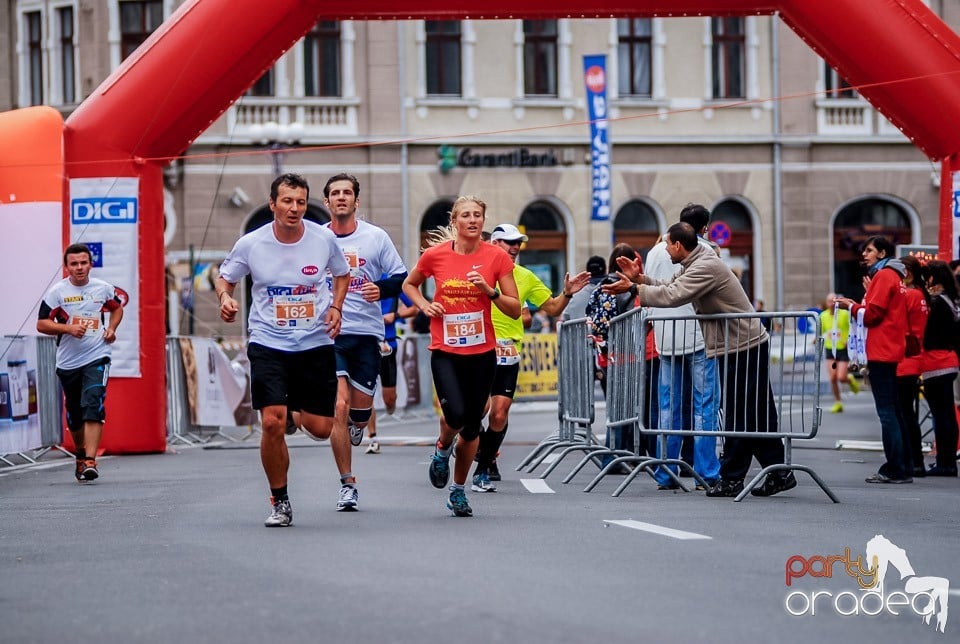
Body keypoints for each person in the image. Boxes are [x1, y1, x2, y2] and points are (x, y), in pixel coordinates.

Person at [605, 221, 796, 498]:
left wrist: (635, 290)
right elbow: (669, 284)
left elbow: (673, 295)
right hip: (737, 344)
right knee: (754, 414)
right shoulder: (696, 261)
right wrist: (640, 280)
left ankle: (733, 478)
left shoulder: (705, 266)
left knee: (741, 414)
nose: (664, 249)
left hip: (744, 345)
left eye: (667, 244)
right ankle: (778, 472)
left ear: (678, 245)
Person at [216, 173, 350, 527]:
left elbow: (342, 274)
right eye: (287, 201)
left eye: (301, 202)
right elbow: (225, 277)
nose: (294, 208)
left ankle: (293, 411)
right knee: (271, 423)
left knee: (322, 428)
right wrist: (225, 297)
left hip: (314, 342)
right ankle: (280, 500)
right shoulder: (251, 243)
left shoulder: (323, 238)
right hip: (268, 341)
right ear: (273, 204)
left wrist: (335, 307)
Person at [402, 196, 520, 517]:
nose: (472, 220)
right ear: (454, 221)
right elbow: (409, 284)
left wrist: (489, 290)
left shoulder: (496, 257)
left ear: (483, 221)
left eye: (478, 215)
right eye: (466, 215)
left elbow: (514, 307)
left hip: (481, 353)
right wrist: (425, 305)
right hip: (445, 350)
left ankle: (457, 490)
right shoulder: (435, 255)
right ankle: (442, 449)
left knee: (472, 427)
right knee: (455, 415)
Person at [471, 223, 590, 491]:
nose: (515, 248)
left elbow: (552, 308)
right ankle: (470, 443)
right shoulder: (476, 271)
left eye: (518, 244)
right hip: (477, 349)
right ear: (493, 244)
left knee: (499, 415)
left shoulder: (523, 276)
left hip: (508, 351)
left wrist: (568, 293)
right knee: (476, 411)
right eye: (509, 242)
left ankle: (484, 466)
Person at [317, 173, 408, 509]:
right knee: (337, 408)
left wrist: (381, 289)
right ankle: (347, 484)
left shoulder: (375, 237)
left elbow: (402, 276)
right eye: (335, 194)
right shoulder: (314, 237)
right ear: (326, 202)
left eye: (347, 193)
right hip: (327, 334)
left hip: (366, 334)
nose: (341, 198)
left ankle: (359, 425)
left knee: (358, 413)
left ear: (357, 201)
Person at [644, 207, 722, 492]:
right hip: (699, 336)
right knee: (705, 405)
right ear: (703, 228)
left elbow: (655, 288)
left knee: (668, 407)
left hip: (666, 336)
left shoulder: (655, 252)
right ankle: (707, 473)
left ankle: (665, 471)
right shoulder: (705, 252)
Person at [37, 243, 125, 482]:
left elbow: (117, 309)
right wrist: (67, 328)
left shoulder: (103, 289)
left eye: (83, 263)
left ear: (90, 264)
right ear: (66, 267)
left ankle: (90, 460)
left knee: (93, 401)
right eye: (74, 264)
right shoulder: (57, 292)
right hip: (68, 362)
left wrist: (112, 329)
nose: (79, 268)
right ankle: (79, 454)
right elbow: (42, 323)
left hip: (97, 355)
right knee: (75, 413)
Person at [837, 236, 911, 484]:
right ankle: (903, 464)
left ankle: (895, 468)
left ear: (881, 253)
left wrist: (851, 306)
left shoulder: (884, 276)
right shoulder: (894, 277)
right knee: (895, 410)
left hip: (882, 350)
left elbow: (873, 315)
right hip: (890, 349)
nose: (864, 255)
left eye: (869, 250)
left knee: (887, 412)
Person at [587, 243, 658, 468]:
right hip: (633, 354)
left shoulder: (602, 286)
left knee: (619, 408)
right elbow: (646, 314)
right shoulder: (626, 286)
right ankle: (626, 456)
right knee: (634, 407)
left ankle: (618, 456)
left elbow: (595, 320)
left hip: (615, 356)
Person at [920, 260, 959, 476]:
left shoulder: (936, 303)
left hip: (936, 362)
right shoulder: (950, 300)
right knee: (946, 415)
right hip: (948, 361)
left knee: (942, 415)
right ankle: (947, 461)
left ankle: (946, 463)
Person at [365, 289, 417, 454]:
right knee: (366, 393)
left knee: (389, 400)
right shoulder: (360, 280)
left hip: (389, 345)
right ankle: (372, 437)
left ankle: (390, 406)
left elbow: (414, 308)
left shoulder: (392, 282)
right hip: (366, 344)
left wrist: (395, 316)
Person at [895, 255, 928, 477]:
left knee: (904, 414)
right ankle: (914, 460)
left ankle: (911, 460)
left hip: (905, 360)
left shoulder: (909, 295)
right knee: (907, 413)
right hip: (913, 358)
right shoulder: (920, 295)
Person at [819, 292, 860, 413]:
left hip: (843, 349)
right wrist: (815, 339)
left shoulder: (845, 314)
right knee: (832, 378)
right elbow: (821, 331)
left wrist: (850, 339)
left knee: (841, 377)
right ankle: (838, 402)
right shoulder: (823, 316)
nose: (831, 303)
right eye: (829, 301)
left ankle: (849, 379)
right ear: (826, 303)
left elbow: (854, 327)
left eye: (834, 300)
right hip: (830, 349)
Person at [563, 255, 606, 321]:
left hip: (578, 331)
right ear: (605, 270)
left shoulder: (574, 294)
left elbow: (565, 317)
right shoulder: (615, 291)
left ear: (587, 271)